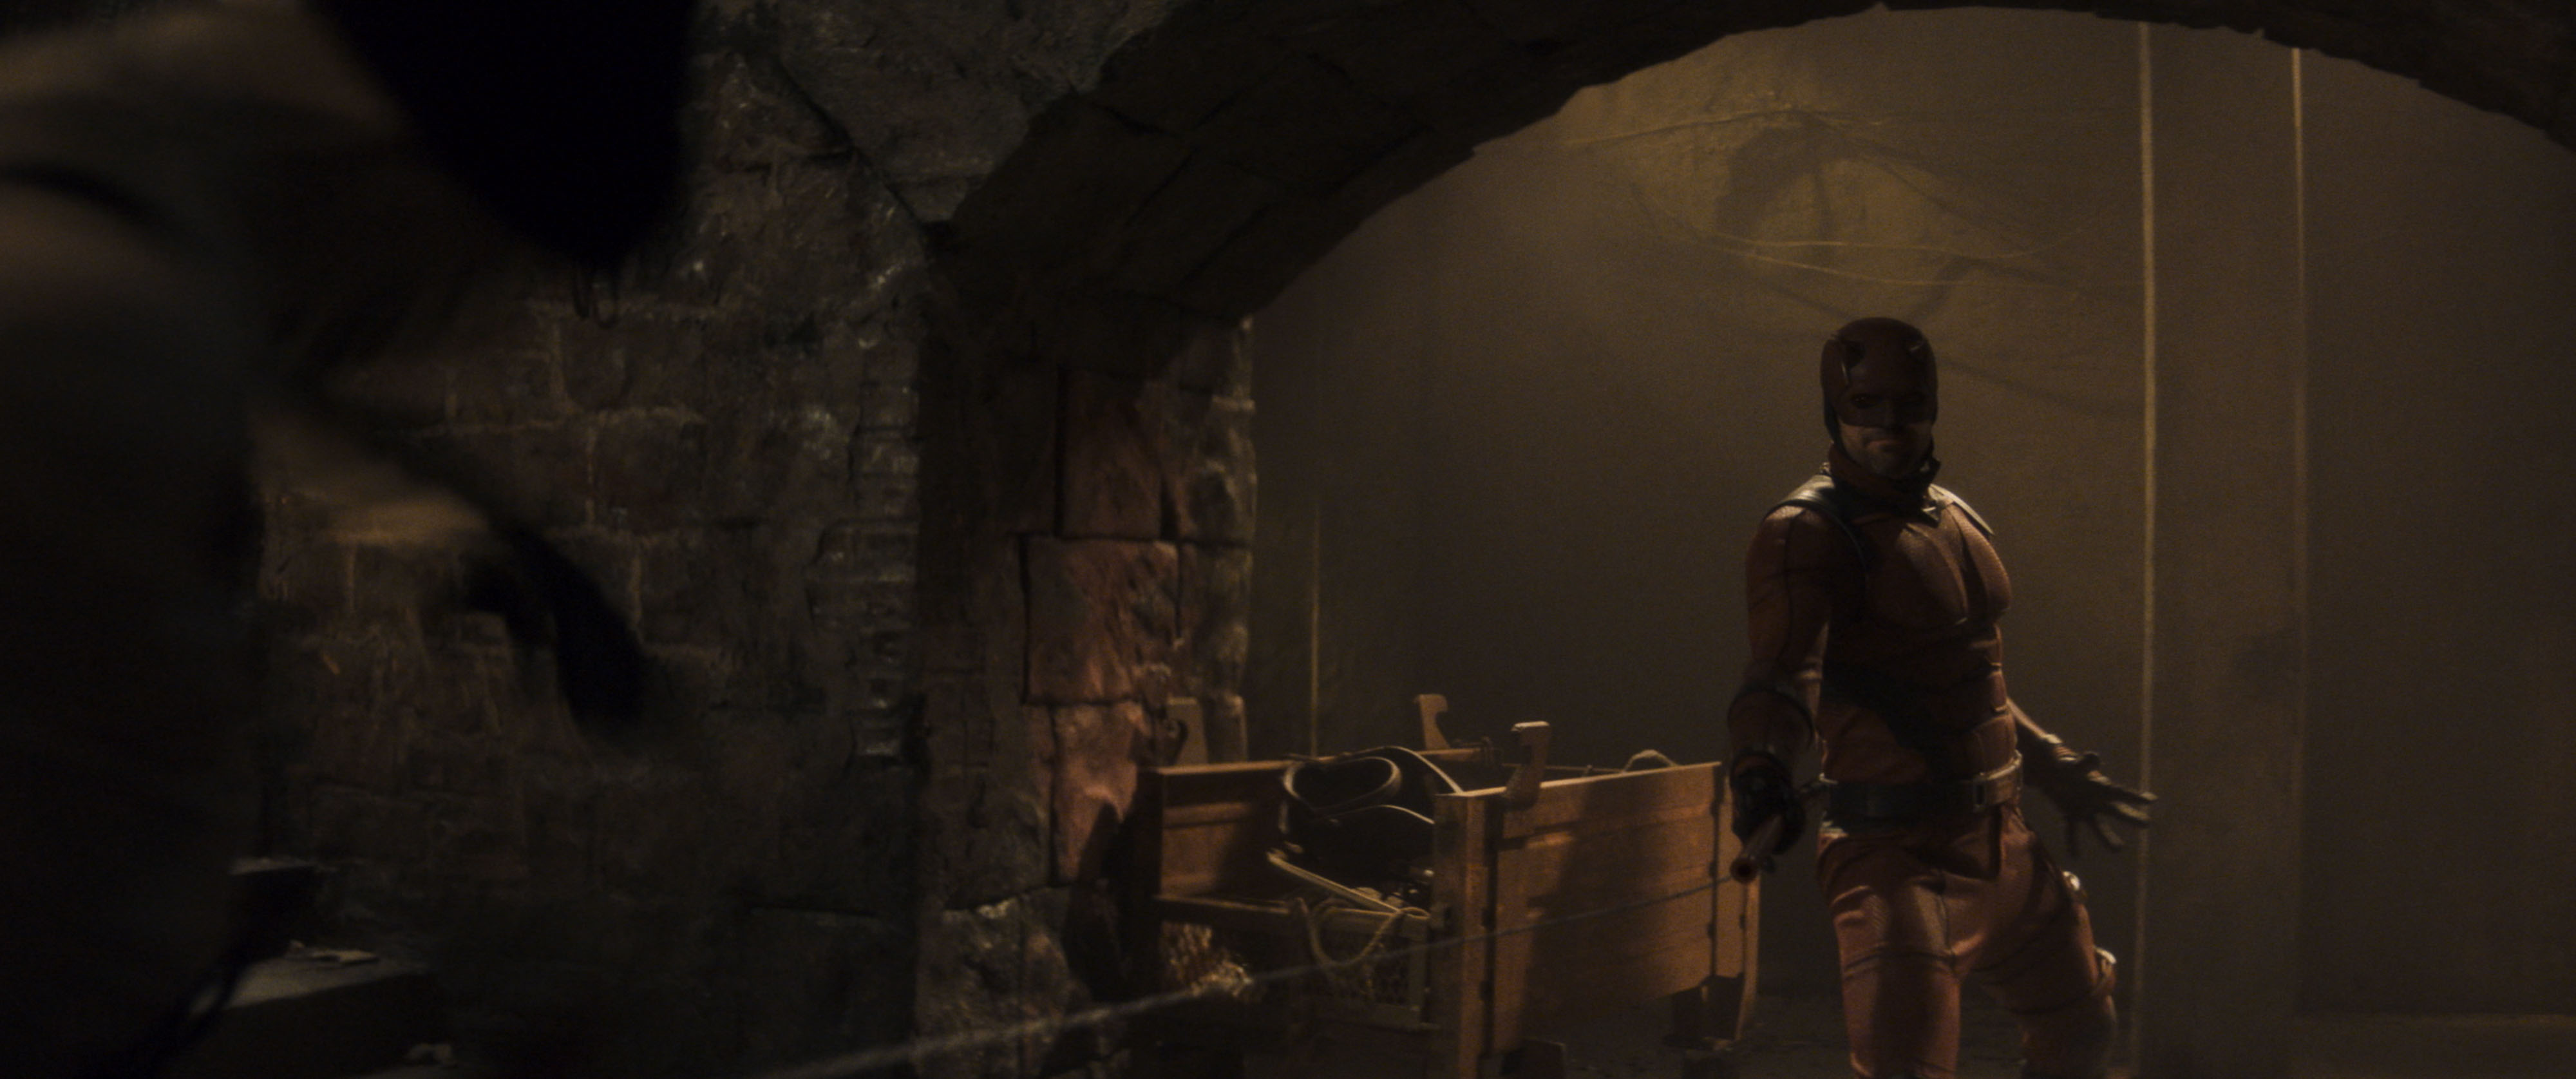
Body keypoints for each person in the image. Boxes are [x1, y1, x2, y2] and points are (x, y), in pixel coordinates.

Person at [0, 1, 685, 1074]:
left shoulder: (119, 181)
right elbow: (72, 932)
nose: (451, 319)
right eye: (471, 271)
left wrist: (474, 532)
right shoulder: (90, 328)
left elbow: (282, 379)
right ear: (397, 169)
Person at [1725, 317, 2154, 1079]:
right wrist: (1761, 767)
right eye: (1866, 405)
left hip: (2002, 841)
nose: (1889, 425)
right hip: (1896, 858)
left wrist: (2052, 764)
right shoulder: (1810, 533)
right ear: (1834, 410)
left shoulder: (1952, 515)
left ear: (1931, 405)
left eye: (1908, 404)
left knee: (2082, 1031)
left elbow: (1961, 683)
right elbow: (1784, 671)